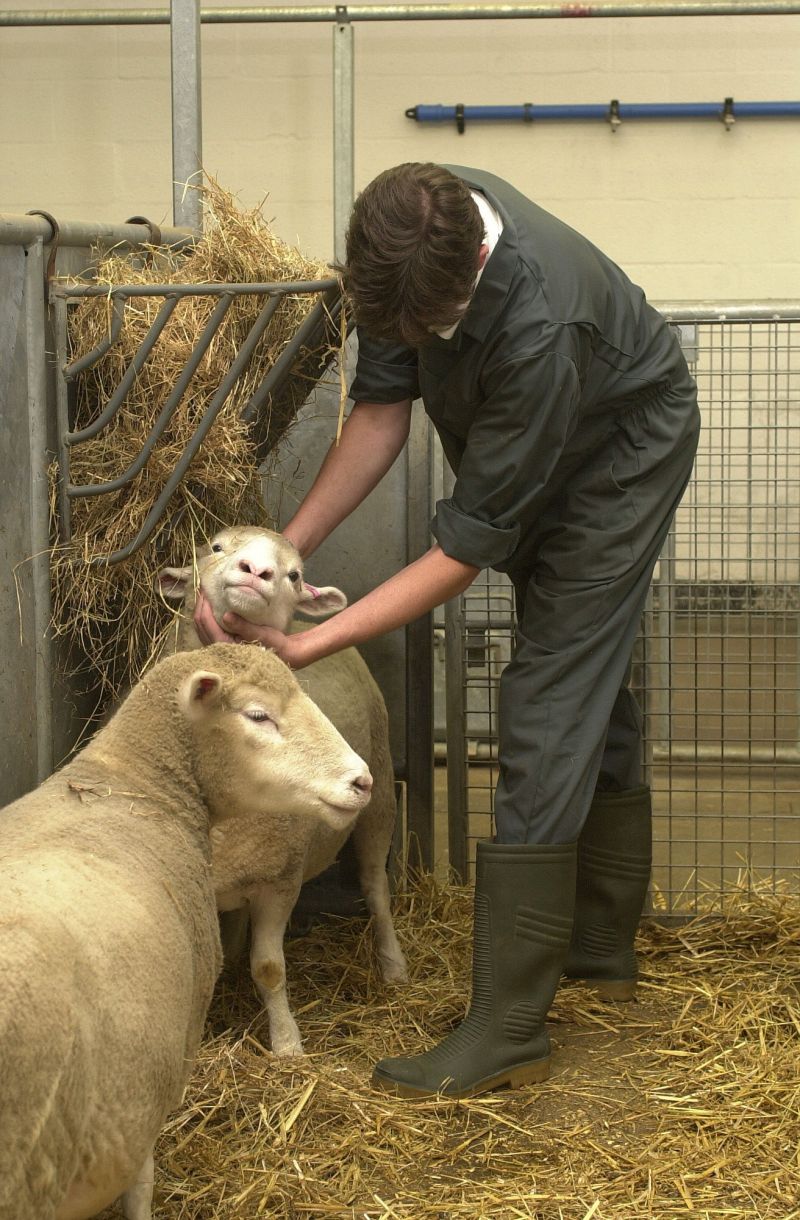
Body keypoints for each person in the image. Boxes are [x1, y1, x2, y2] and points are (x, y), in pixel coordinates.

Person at [194, 163, 700, 1100]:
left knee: (548, 692)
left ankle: (509, 1025)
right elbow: (383, 412)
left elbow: (460, 551)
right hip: (541, 440)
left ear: (474, 260)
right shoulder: (408, 232)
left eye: (430, 327)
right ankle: (599, 942)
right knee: (583, 679)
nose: (415, 340)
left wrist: (303, 645)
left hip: (619, 456)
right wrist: (280, 556)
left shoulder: (539, 325)